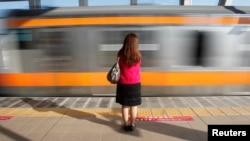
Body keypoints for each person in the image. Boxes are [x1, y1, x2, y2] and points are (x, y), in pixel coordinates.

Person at [116, 33, 141, 132]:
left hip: (123, 83)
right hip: (135, 83)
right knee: (134, 106)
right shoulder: (138, 55)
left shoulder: (120, 54)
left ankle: (126, 124)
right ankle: (132, 124)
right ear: (135, 44)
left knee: (125, 105)